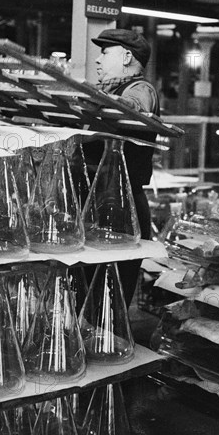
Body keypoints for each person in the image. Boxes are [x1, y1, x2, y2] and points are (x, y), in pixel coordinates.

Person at [82, 28, 160, 307]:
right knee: (86, 291)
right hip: (99, 205)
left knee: (109, 299)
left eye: (105, 53)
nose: (98, 61)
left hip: (121, 210)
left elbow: (135, 107)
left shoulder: (140, 89)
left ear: (127, 57)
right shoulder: (109, 91)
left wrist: (94, 98)